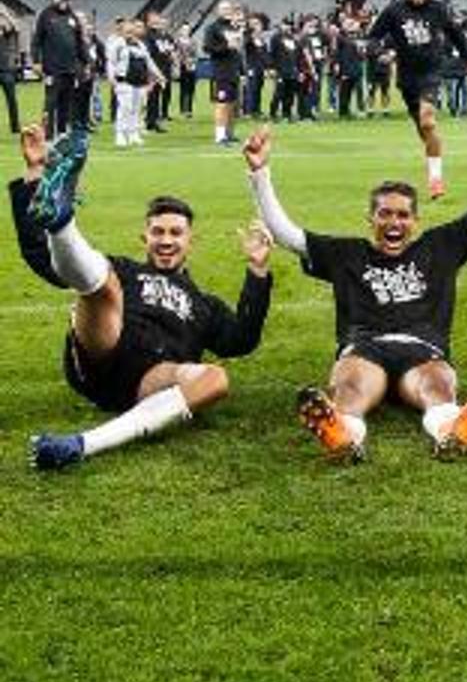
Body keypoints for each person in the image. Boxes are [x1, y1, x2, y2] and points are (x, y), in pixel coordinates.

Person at [243, 92, 467, 463]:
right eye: (385, 214)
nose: (394, 223)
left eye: (403, 215)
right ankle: (343, 436)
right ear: (370, 220)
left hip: (423, 349)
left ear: (415, 221)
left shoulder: (440, 246)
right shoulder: (347, 254)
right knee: (351, 388)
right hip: (364, 348)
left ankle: (454, 431)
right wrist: (259, 172)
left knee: (436, 386)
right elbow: (286, 233)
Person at [11, 125, 272, 470]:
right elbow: (41, 258)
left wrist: (257, 271)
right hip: (102, 352)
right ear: (143, 237)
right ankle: (60, 221)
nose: (166, 240)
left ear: (191, 241)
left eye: (176, 233)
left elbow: (242, 339)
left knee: (216, 379)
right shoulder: (126, 270)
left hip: (151, 381)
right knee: (104, 284)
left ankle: (82, 445)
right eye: (157, 232)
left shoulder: (203, 304)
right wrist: (34, 173)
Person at [367, 0, 467, 200]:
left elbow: (456, 34)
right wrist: (380, 53)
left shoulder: (438, 9)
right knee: (424, 131)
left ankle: (436, 180)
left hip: (431, 72)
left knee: (428, 120)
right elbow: (373, 38)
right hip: (407, 77)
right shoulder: (393, 11)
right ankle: (433, 164)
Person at [33, 0, 86, 136]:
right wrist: (36, 61)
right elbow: (37, 40)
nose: (64, 2)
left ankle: (62, 132)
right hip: (52, 68)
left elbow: (79, 42)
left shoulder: (72, 17)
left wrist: (86, 62)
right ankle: (48, 134)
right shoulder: (46, 15)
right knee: (51, 102)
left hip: (69, 67)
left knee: (65, 103)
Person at [200, 1, 246, 145]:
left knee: (233, 105)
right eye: (224, 9)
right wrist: (226, 46)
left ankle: (229, 133)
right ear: (217, 11)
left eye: (229, 8)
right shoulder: (212, 28)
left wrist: (242, 72)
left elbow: (238, 53)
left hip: (234, 72)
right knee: (222, 104)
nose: (227, 11)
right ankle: (219, 136)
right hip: (221, 71)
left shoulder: (233, 27)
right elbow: (207, 48)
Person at [105, 18, 154, 148]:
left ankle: (133, 133)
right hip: (123, 80)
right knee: (125, 107)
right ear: (122, 32)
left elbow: (148, 61)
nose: (130, 34)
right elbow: (111, 61)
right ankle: (120, 134)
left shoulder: (140, 44)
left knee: (136, 108)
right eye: (127, 32)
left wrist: (158, 75)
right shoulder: (117, 44)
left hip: (139, 81)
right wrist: (111, 77)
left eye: (132, 31)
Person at [0, 6, 22, 135]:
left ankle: (15, 127)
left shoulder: (5, 32)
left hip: (5, 70)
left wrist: (5, 13)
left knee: (12, 99)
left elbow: (17, 28)